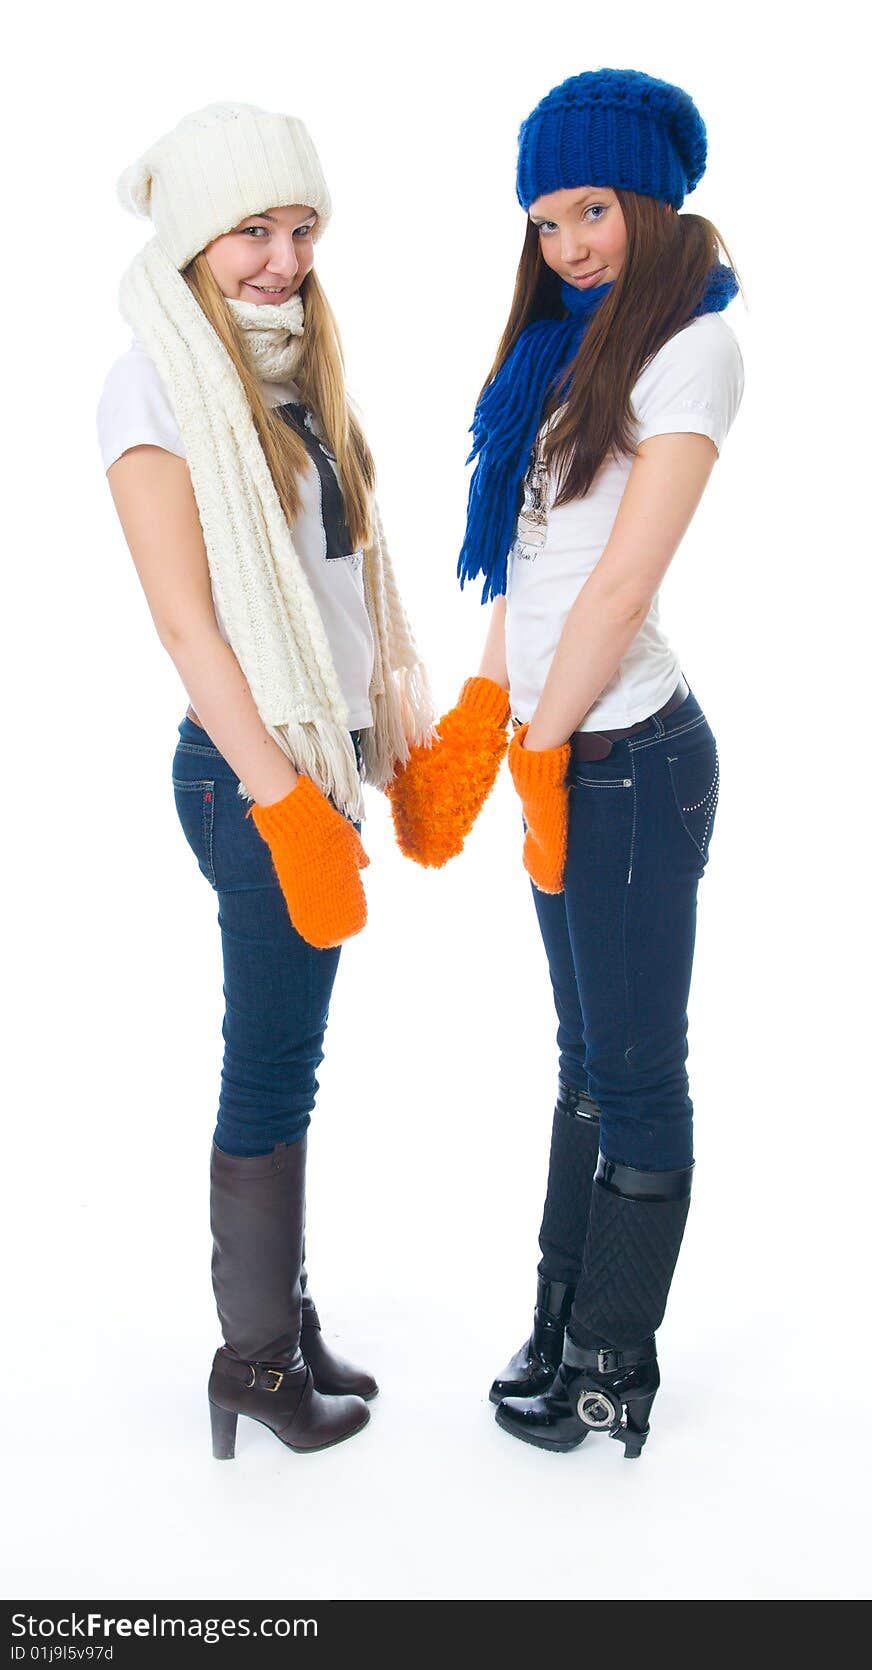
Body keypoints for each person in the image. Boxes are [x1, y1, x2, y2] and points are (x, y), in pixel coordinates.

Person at [388, 68, 744, 1457]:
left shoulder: (695, 348)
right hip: (559, 747)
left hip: (633, 762)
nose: (571, 244)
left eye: (591, 209)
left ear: (648, 200)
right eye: (546, 222)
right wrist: (491, 705)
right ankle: (558, 1322)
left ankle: (613, 1366)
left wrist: (541, 746)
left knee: (639, 1072)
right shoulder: (566, 349)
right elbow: (534, 566)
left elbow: (617, 592)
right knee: (582, 1063)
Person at [97, 103, 433, 1460]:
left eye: (301, 228)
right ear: (193, 238)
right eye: (253, 229)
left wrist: (361, 765)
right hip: (252, 776)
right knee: (272, 1062)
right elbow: (187, 622)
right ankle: (250, 1359)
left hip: (320, 770)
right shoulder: (156, 381)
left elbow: (343, 596)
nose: (283, 257)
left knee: (290, 1054)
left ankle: (280, 1326)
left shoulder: (300, 373)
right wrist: (283, 798)